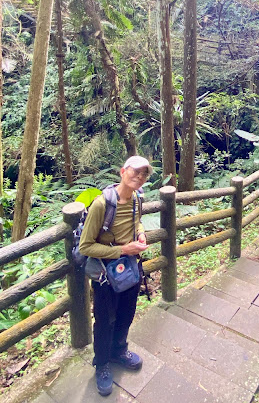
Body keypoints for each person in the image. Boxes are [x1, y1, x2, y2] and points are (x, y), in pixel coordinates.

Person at [79, 155, 151, 396]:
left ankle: (119, 351)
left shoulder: (137, 199)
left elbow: (137, 222)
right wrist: (122, 249)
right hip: (104, 275)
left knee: (126, 314)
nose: (140, 177)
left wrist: (140, 235)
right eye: (136, 172)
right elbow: (85, 247)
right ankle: (102, 364)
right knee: (105, 320)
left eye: (144, 174)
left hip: (129, 269)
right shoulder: (102, 205)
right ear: (123, 171)